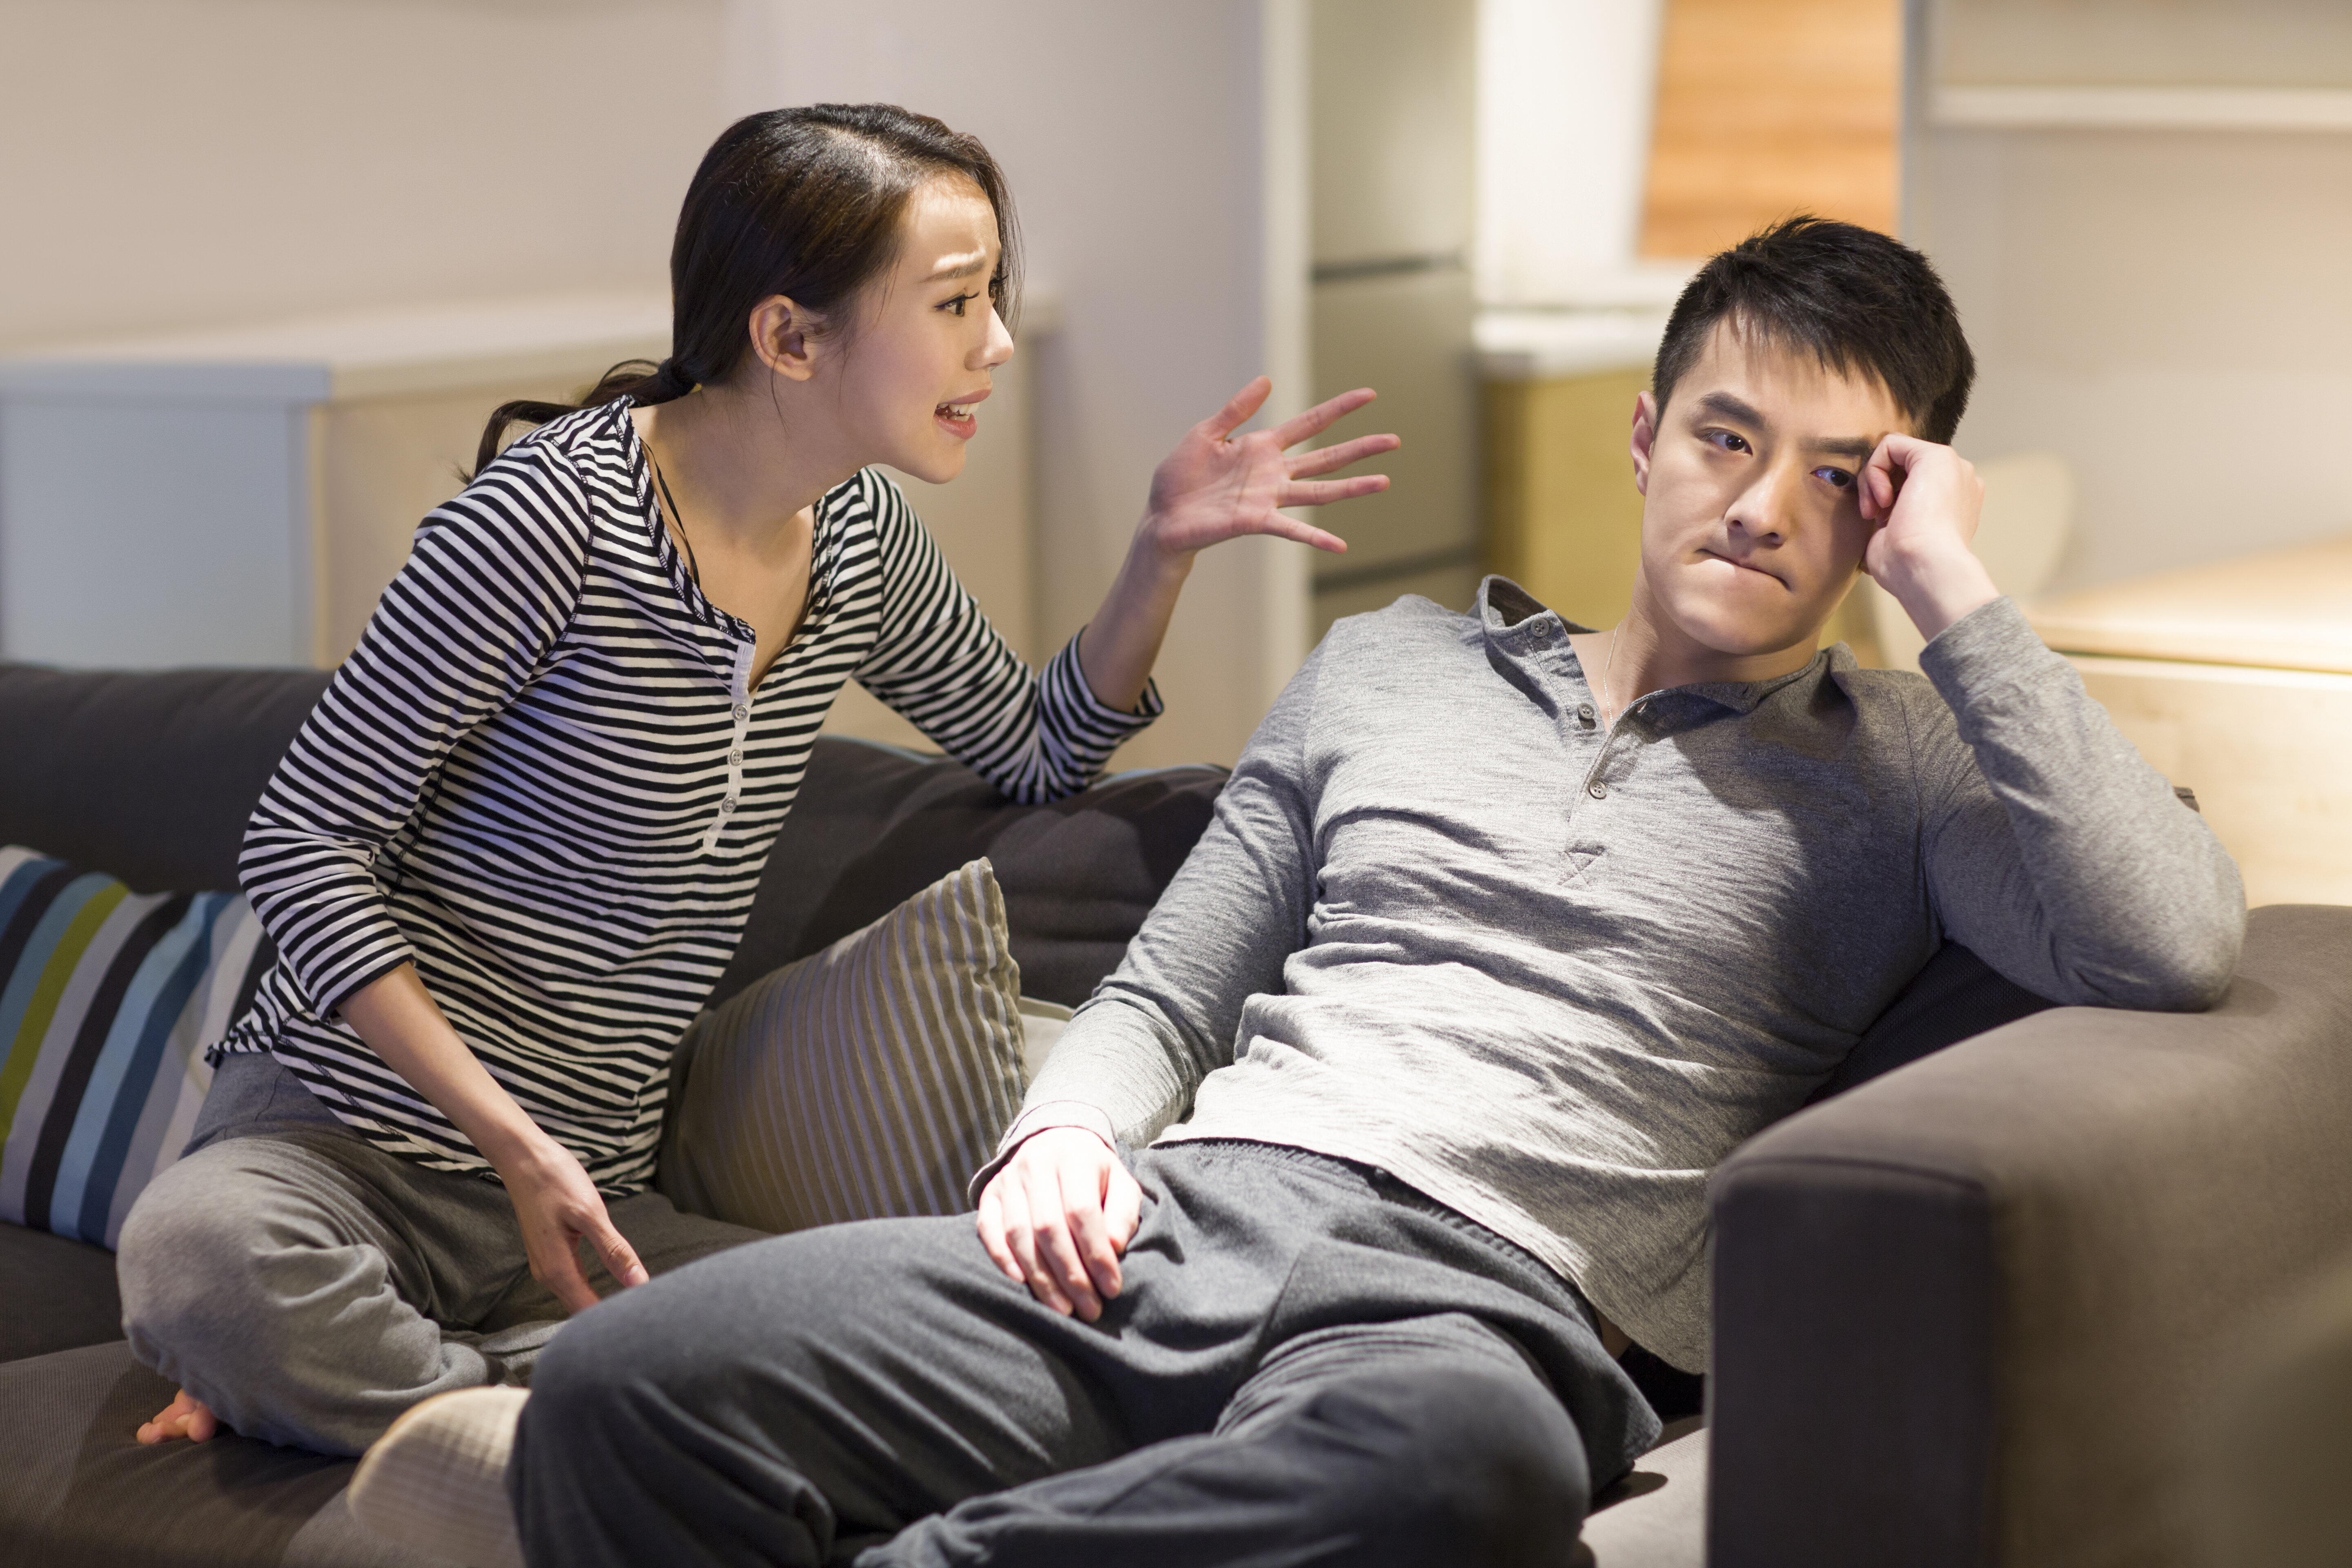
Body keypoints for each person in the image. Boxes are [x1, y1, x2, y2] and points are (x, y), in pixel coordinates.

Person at [376, 216, 2242, 1568]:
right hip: (1172, 1238)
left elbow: (2170, 941)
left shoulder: (1907, 767)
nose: (1761, 506)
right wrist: (1066, 1139)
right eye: (1727, 437)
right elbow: (1173, 990)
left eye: (1842, 479)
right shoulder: (1391, 668)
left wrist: (1955, 598)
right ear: (1650, 436)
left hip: (1479, 1321)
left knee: (1471, 1480)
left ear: (1897, 505)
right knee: (629, 1380)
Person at [110, 103, 1396, 1459]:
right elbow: (303, 842)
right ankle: (501, 1428)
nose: (1000, 343)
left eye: (994, 299)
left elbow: (1036, 748)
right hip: (348, 1155)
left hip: (597, 1203)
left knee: (884, 1352)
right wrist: (513, 1144)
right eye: (957, 302)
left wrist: (1162, 549)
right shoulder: (544, 525)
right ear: (790, 336)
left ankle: (436, 1414)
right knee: (201, 1259)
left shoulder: (853, 537)